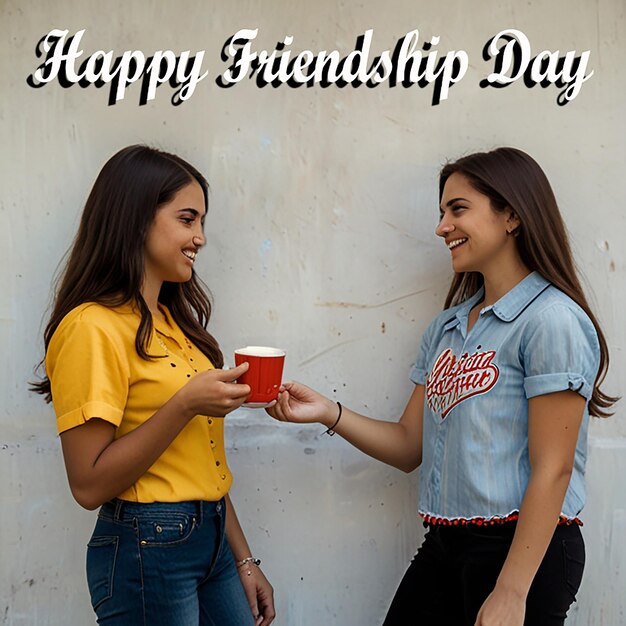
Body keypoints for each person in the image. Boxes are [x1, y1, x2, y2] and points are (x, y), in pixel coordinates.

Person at [266, 147, 616, 625]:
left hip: (526, 553)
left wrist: (512, 592)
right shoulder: (447, 329)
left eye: (458, 209)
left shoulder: (551, 320)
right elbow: (411, 445)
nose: (441, 227)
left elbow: (553, 469)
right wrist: (329, 412)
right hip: (447, 545)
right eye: (441, 212)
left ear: (512, 215)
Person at [32, 145, 275, 626]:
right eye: (187, 219)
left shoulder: (175, 324)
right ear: (137, 217)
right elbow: (87, 483)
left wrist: (244, 559)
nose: (200, 238)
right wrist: (184, 404)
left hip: (211, 540)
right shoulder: (92, 326)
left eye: (202, 222)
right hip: (149, 547)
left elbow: (202, 466)